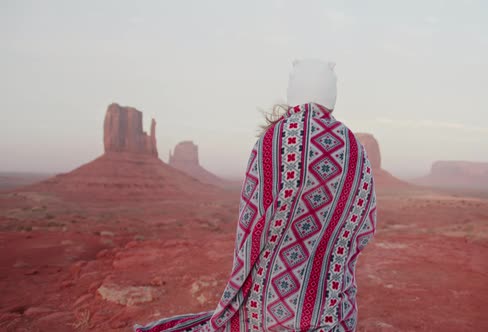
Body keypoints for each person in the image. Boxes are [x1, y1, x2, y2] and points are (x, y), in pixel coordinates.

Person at [134, 59, 377, 332]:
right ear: (331, 94)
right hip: (332, 314)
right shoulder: (354, 147)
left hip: (265, 314)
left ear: (293, 91)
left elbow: (250, 226)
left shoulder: (273, 140)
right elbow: (364, 226)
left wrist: (241, 288)